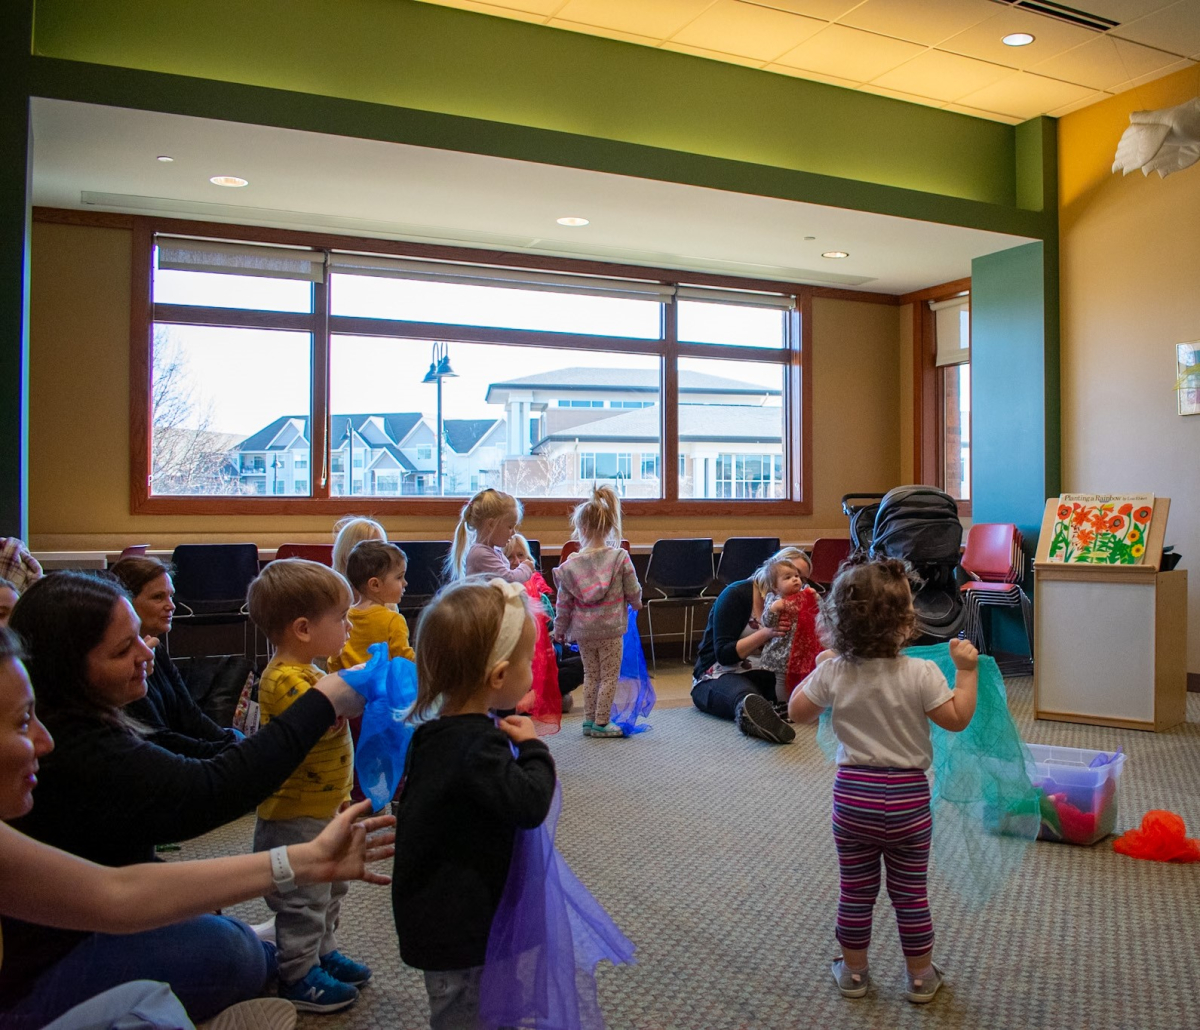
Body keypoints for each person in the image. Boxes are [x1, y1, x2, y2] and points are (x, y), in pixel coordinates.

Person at [2, 571, 369, 1020]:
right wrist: (322, 701)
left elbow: (114, 888)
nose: (146, 654)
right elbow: (206, 792)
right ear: (68, 668)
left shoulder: (95, 719)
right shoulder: (76, 748)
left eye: (138, 635)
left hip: (86, 910)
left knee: (208, 908)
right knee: (236, 953)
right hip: (41, 971)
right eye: (122, 649)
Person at [788, 556, 979, 1005]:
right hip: (910, 803)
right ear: (906, 622)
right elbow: (956, 719)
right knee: (910, 895)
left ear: (837, 622)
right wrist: (967, 674)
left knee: (856, 892)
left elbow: (797, 711)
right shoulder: (922, 673)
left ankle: (854, 974)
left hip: (853, 800)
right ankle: (919, 977)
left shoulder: (835, 672)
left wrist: (821, 667)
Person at [392, 578, 556, 1030]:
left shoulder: (432, 734)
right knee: (470, 1014)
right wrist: (537, 752)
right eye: (528, 660)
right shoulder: (479, 748)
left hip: (440, 913)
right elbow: (529, 803)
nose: (533, 668)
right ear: (499, 676)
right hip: (463, 929)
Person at [248, 559, 371, 1014]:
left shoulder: (314, 672)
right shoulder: (282, 679)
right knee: (301, 899)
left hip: (326, 807)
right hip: (294, 817)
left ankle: (323, 951)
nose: (347, 625)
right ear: (303, 628)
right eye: (340, 619)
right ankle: (296, 974)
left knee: (330, 888)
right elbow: (324, 716)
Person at [109, 555, 239, 754]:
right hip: (162, 762)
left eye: (171, 596)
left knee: (237, 737)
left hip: (178, 753)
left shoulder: (155, 647)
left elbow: (190, 714)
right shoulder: (123, 667)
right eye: (158, 597)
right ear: (126, 602)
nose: (172, 605)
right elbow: (159, 739)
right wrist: (227, 753)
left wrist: (230, 743)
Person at [690, 546, 814, 745]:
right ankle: (754, 717)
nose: (798, 582)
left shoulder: (791, 602)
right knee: (746, 694)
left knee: (794, 688)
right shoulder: (736, 594)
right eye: (791, 575)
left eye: (803, 579)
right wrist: (767, 633)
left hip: (765, 671)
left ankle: (768, 713)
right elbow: (724, 654)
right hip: (719, 673)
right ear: (774, 574)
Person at [553, 485, 642, 738]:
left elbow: (563, 603)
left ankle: (588, 720)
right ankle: (602, 722)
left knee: (591, 675)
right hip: (611, 629)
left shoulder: (571, 566)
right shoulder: (619, 557)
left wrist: (559, 631)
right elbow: (632, 588)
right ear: (610, 527)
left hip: (583, 631)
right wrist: (636, 603)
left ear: (581, 529)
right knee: (609, 676)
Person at [328, 541, 414, 672]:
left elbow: (334, 660)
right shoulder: (393, 620)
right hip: (382, 690)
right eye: (399, 577)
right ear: (375, 585)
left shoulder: (343, 616)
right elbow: (404, 660)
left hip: (348, 687)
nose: (405, 583)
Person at [757, 553, 820, 705]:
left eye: (797, 576)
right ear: (775, 587)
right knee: (782, 680)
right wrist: (773, 609)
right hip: (782, 650)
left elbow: (819, 612)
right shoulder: (775, 599)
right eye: (787, 577)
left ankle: (803, 705)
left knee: (806, 677)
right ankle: (784, 706)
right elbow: (767, 622)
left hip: (803, 648)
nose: (795, 579)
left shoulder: (805, 593)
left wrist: (816, 598)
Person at [447, 487, 533, 584]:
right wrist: (525, 568)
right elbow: (508, 579)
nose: (513, 533)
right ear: (491, 524)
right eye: (510, 527)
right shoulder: (480, 554)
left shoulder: (494, 551)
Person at [332, 516, 387, 591]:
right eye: (370, 549)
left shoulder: (387, 589)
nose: (378, 555)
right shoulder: (332, 591)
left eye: (381, 548)